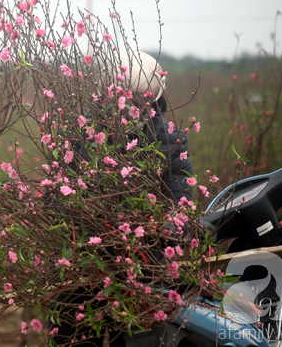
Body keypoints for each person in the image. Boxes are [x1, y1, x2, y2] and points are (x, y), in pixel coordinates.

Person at [48, 51, 193, 346]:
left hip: (142, 265)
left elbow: (179, 197)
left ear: (154, 101)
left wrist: (170, 230)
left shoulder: (170, 139)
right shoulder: (79, 133)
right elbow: (57, 200)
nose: (133, 108)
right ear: (107, 97)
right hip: (83, 265)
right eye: (127, 99)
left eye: (142, 101)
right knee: (72, 333)